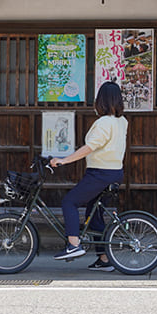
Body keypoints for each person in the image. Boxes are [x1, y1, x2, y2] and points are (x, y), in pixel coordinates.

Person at [49, 81, 127, 272]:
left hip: (100, 173)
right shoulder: (121, 121)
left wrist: (64, 160)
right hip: (115, 172)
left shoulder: (103, 123)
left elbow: (89, 148)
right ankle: (104, 259)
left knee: (69, 202)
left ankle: (73, 245)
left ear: (101, 100)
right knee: (95, 215)